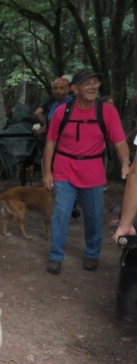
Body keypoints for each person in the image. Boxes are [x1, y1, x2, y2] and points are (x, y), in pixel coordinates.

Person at [42, 69, 130, 275]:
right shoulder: (62, 111)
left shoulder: (107, 112)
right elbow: (50, 142)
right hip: (64, 168)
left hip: (92, 170)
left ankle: (92, 253)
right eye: (87, 83)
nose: (93, 87)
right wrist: (47, 171)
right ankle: (55, 256)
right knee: (61, 214)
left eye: (95, 83)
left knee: (93, 216)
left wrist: (125, 161)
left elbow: (119, 141)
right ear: (75, 89)